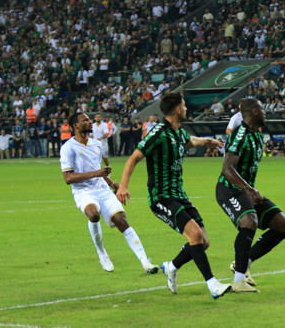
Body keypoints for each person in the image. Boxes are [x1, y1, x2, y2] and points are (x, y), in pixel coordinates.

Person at [116, 92, 231, 299]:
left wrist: (206, 140)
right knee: (195, 235)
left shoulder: (178, 133)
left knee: (203, 241)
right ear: (177, 110)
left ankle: (171, 266)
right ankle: (212, 284)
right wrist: (123, 186)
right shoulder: (158, 133)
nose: (186, 109)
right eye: (184, 106)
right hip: (161, 197)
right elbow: (133, 158)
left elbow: (190, 141)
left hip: (180, 195)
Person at [60, 112, 159, 274]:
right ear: (75, 126)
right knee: (93, 214)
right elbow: (68, 178)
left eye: (90, 120)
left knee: (121, 221)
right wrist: (97, 173)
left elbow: (98, 170)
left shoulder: (96, 144)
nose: (90, 122)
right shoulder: (68, 148)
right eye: (85, 120)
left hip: (102, 189)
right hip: (83, 191)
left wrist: (113, 185)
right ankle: (102, 254)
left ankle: (145, 263)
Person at [218, 98, 285, 292]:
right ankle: (239, 281)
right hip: (229, 189)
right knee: (249, 222)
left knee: (283, 226)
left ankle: (244, 263)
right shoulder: (239, 135)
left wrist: (249, 190)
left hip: (246, 190)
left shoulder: (257, 135)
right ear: (254, 112)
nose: (265, 113)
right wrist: (248, 189)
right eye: (262, 109)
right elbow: (227, 169)